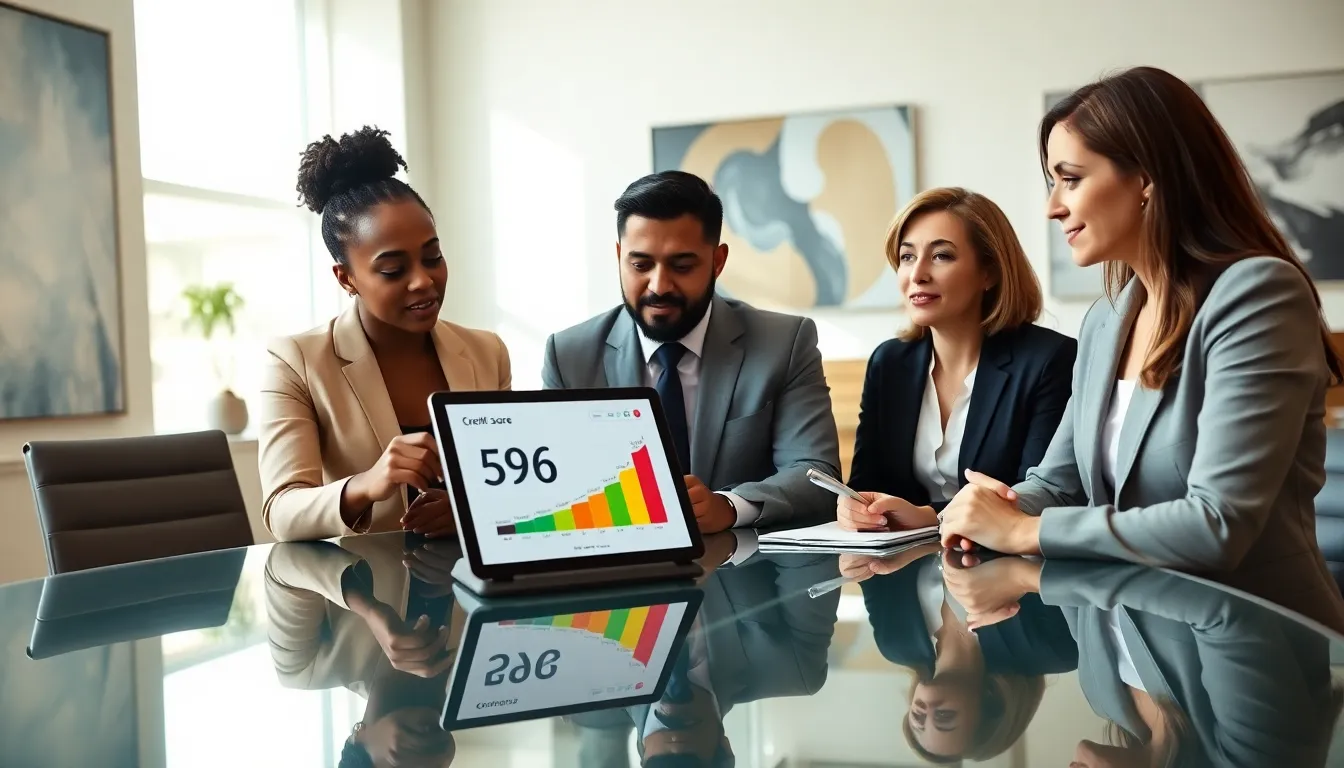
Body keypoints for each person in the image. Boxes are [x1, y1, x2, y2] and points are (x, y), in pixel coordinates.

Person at [938, 66, 1344, 632]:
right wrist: (982, 511)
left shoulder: (1258, 296)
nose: (1052, 207)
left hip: (1256, 639)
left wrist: (1022, 532)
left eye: (1071, 179)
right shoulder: (1106, 319)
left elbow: (1217, 525)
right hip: (1131, 636)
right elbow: (1057, 485)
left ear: (1147, 179)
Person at [541, 170, 840, 534]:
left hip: (745, 575)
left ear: (717, 262)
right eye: (640, 265)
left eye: (682, 266)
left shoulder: (784, 343)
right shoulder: (569, 356)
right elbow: (554, 489)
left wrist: (730, 506)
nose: (659, 286)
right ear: (619, 256)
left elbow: (816, 474)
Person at [259, 126, 512, 542]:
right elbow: (282, 510)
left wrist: (471, 511)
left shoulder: (487, 353)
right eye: (394, 270)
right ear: (347, 278)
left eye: (433, 257)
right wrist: (367, 483)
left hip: (473, 588)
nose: (423, 282)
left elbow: (513, 485)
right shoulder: (297, 362)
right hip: (366, 594)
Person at [836, 187, 1076, 533]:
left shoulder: (1049, 361)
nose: (917, 274)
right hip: (899, 569)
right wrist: (854, 507)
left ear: (988, 272)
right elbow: (865, 485)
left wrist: (933, 517)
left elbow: (1037, 496)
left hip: (1006, 568)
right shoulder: (889, 363)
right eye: (906, 257)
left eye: (941, 256)